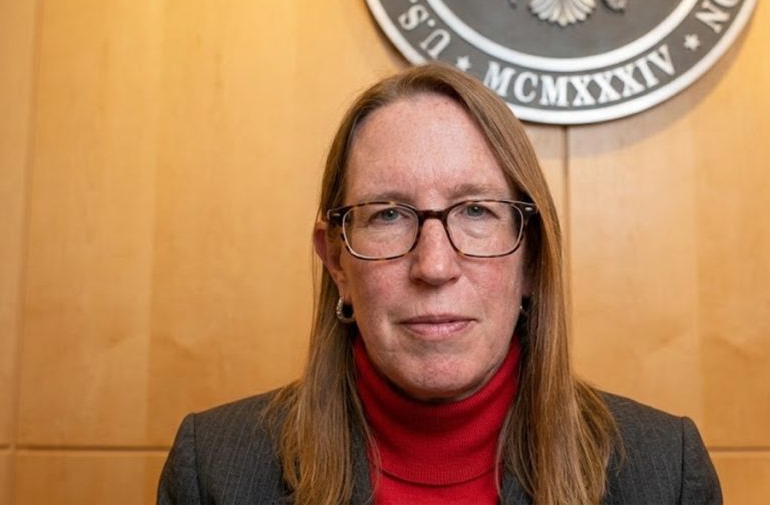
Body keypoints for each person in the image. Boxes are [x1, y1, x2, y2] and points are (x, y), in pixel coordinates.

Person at [157, 64, 722, 505]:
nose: (433, 265)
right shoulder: (215, 470)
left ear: (531, 258)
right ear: (337, 263)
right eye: (388, 214)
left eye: (475, 210)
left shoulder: (662, 473)